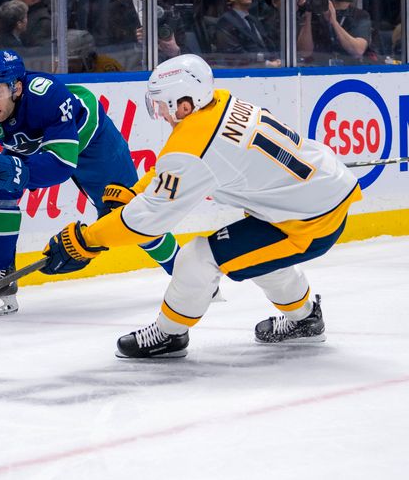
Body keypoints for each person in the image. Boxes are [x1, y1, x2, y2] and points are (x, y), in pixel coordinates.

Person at [40, 53, 362, 358]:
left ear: (183, 104)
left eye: (161, 105)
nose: (160, 114)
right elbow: (177, 164)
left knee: (198, 258)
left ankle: (169, 334)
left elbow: (147, 220)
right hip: (315, 193)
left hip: (309, 220)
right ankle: (305, 320)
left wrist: (87, 240)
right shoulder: (217, 102)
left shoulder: (195, 144)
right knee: (257, 256)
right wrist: (135, 190)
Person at [0, 49, 181, 317]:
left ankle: (183, 272)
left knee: (126, 213)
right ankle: (2, 276)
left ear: (16, 88)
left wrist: (19, 169)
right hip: (34, 147)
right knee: (0, 181)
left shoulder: (47, 95)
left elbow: (61, 164)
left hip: (92, 144)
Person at [297, 0, 373, 66]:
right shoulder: (316, 13)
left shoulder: (361, 15)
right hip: (318, 73)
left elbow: (357, 51)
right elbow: (304, 52)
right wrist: (308, 13)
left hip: (351, 73)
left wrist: (333, 22)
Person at [215, 0, 281, 66]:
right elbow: (234, 55)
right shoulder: (226, 21)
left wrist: (276, 58)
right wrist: (266, 64)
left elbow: (268, 43)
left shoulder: (253, 20)